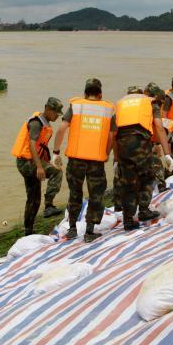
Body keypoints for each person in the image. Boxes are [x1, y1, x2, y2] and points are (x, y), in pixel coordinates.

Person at [52, 79, 114, 243]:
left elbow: (61, 128)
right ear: (100, 94)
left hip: (76, 160)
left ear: (85, 93)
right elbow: (111, 136)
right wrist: (107, 153)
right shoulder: (108, 109)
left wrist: (56, 153)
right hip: (96, 161)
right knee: (96, 196)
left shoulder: (76, 106)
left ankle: (72, 229)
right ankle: (89, 232)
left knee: (75, 194)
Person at [115, 83, 173, 230]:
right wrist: (167, 153)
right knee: (146, 176)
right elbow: (159, 126)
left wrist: (116, 159)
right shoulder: (149, 102)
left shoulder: (120, 104)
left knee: (128, 181)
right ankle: (143, 210)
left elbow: (113, 133)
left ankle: (128, 220)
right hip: (139, 142)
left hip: (122, 143)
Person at [11, 97, 64, 235]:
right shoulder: (36, 123)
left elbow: (42, 148)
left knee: (34, 198)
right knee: (57, 172)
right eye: (56, 113)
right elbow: (32, 145)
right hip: (27, 163)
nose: (57, 116)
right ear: (47, 109)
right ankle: (49, 206)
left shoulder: (44, 123)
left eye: (59, 114)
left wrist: (46, 162)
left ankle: (28, 230)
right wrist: (40, 167)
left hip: (28, 162)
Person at [113, 85, 143, 212]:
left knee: (122, 175)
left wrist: (115, 157)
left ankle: (119, 204)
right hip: (137, 148)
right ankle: (135, 205)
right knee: (136, 176)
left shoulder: (120, 109)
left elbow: (114, 135)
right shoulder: (143, 108)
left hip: (122, 146)